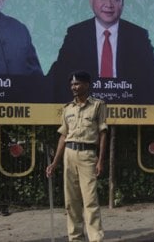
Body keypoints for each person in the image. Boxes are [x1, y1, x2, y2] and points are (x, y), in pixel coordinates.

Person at [48, 0, 154, 102]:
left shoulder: (138, 36)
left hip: (126, 106)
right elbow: (59, 76)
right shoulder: (76, 34)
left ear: (122, 4)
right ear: (91, 0)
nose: (108, 4)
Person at [46, 71, 108, 241]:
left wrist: (100, 161)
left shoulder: (98, 105)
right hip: (69, 154)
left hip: (88, 155)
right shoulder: (67, 109)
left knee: (90, 200)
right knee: (71, 201)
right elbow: (63, 136)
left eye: (77, 84)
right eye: (72, 84)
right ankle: (75, 238)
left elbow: (103, 134)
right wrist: (55, 163)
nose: (73, 87)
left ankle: (96, 238)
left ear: (87, 85)